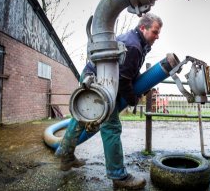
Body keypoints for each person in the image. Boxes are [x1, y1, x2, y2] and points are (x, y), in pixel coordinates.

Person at [56, 13, 163, 190]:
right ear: (143, 28)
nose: (157, 36)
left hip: (94, 75)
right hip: (101, 80)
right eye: (155, 32)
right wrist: (133, 100)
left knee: (80, 118)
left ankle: (65, 156)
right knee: (111, 126)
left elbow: (127, 72)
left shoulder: (138, 43)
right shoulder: (134, 45)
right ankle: (118, 175)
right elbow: (123, 80)